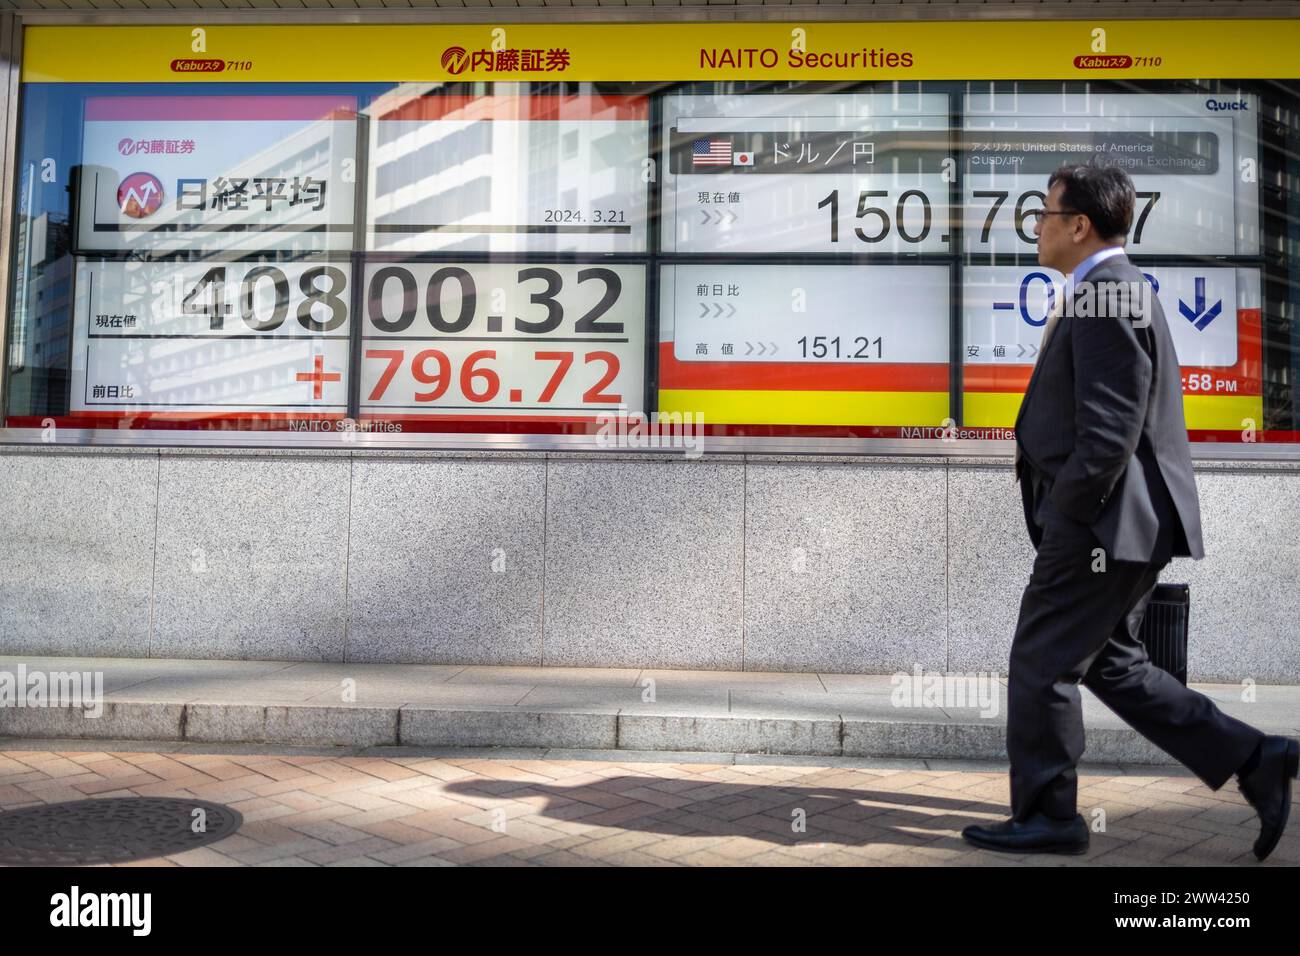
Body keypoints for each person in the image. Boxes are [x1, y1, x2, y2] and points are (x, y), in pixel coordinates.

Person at [960, 163, 1298, 860]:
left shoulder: (1108, 294)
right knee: (1114, 665)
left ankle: (1051, 817)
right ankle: (1256, 757)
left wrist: (1068, 518)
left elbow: (1110, 431)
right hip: (1117, 527)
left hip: (1099, 528)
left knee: (1041, 662)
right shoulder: (1108, 289)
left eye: (1045, 215)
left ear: (1078, 224)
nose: (1037, 228)